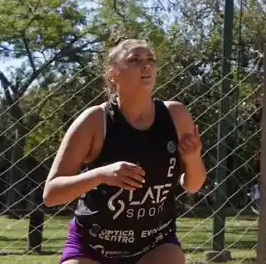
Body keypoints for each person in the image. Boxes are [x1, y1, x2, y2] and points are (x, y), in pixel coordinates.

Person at [45, 39, 207, 264]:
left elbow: (193, 185)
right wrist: (100, 175)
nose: (146, 65)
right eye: (134, 60)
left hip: (154, 244)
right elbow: (51, 194)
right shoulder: (95, 120)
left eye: (150, 59)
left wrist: (192, 158)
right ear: (113, 74)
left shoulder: (176, 115)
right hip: (94, 247)